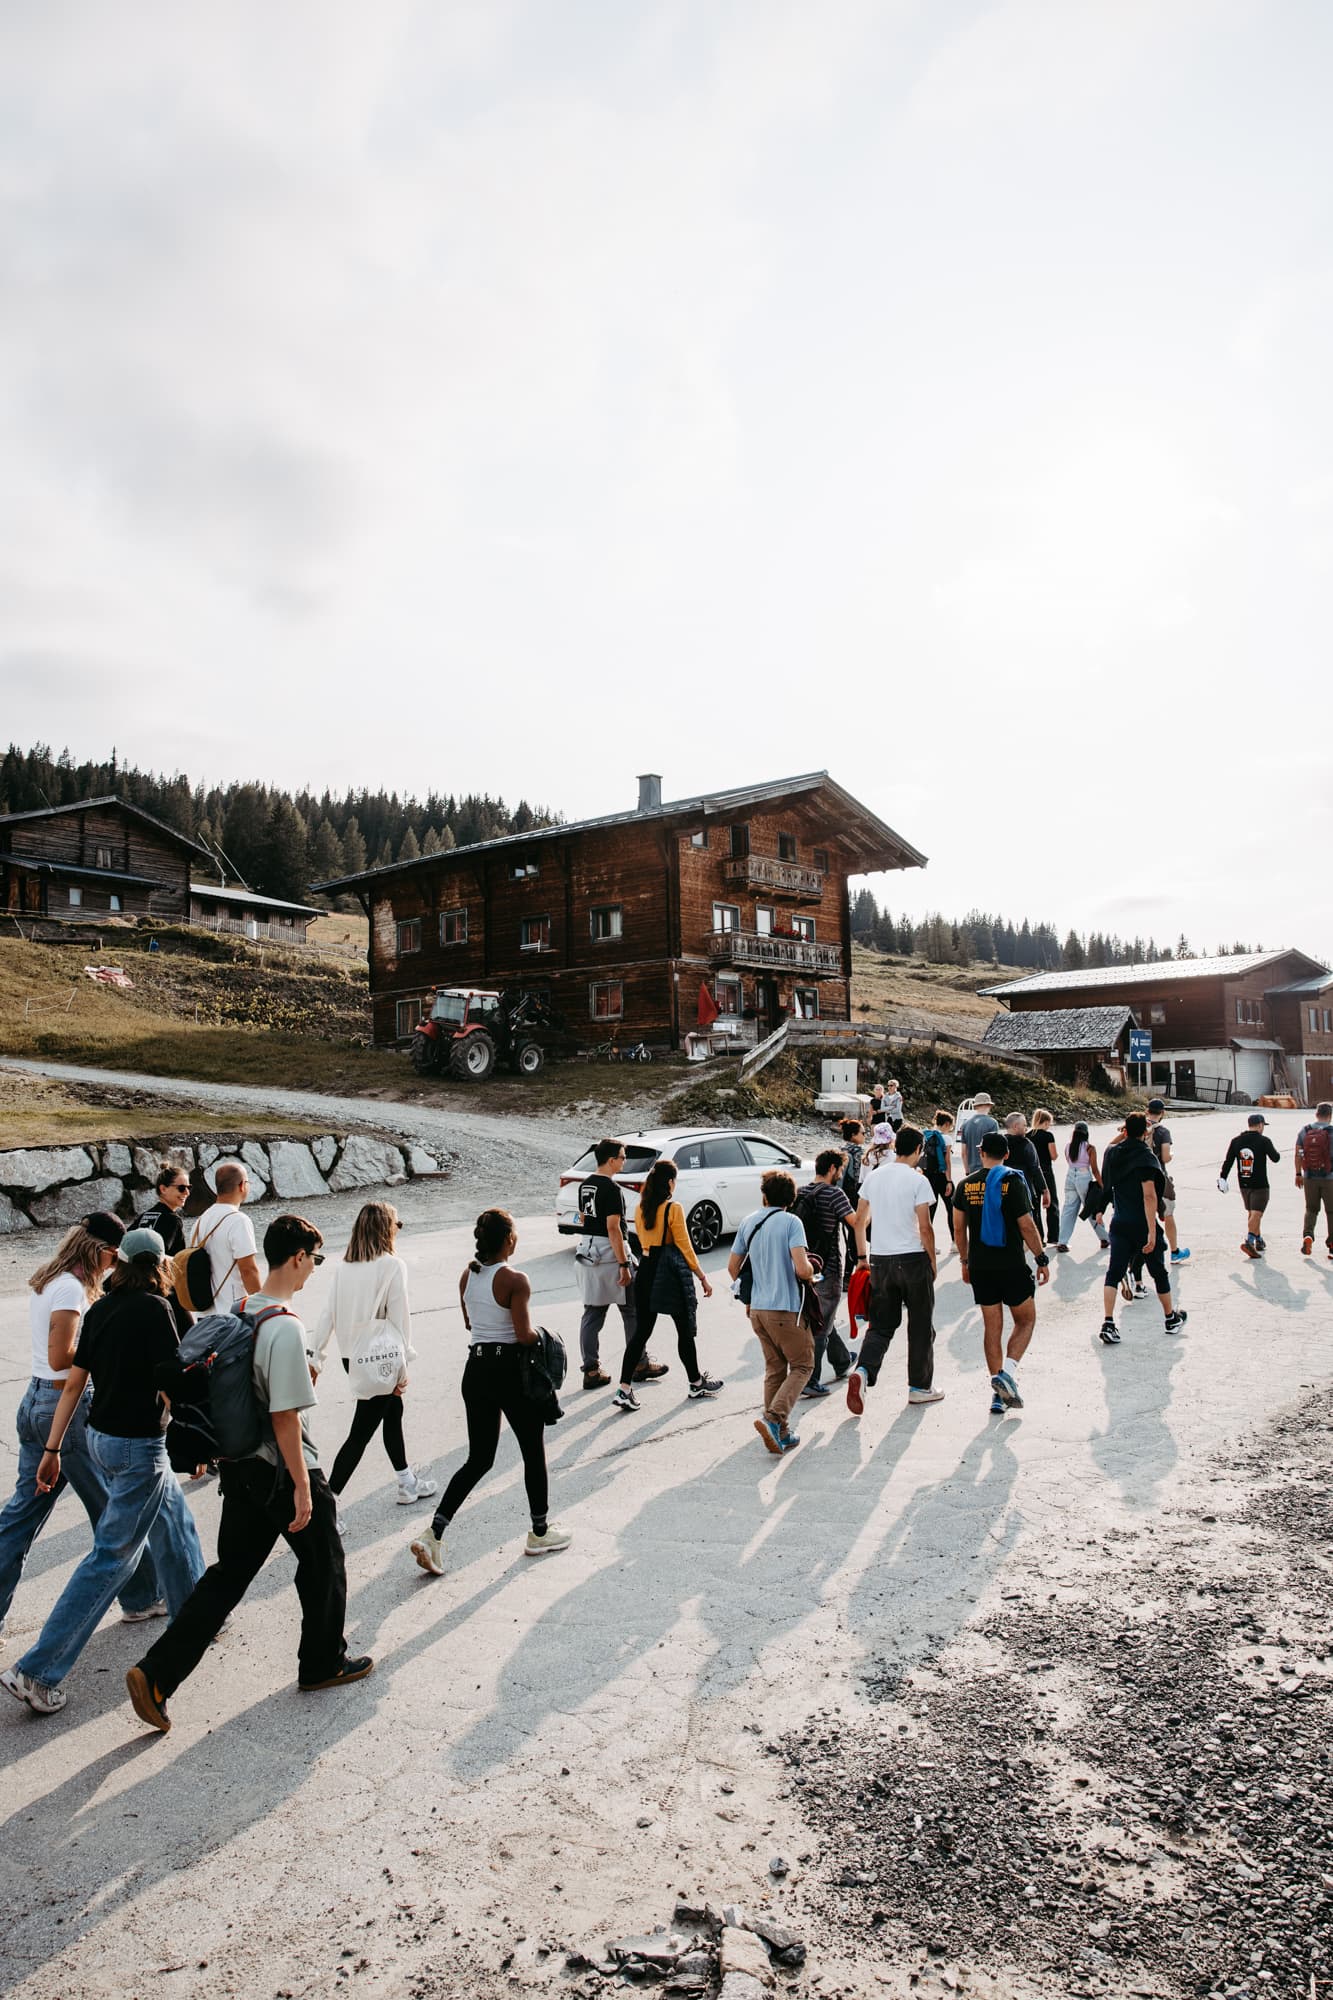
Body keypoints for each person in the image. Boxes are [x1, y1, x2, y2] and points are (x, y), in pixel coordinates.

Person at [126, 1213, 372, 1735]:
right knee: (324, 1560)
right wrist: (304, 1486)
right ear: (299, 1257)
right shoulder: (283, 1324)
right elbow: (284, 1416)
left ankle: (156, 1674)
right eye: (315, 1260)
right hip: (281, 1468)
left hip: (238, 1469)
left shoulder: (242, 1309)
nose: (313, 1272)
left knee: (227, 1577)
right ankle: (322, 1663)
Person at [2, 1230, 206, 1716]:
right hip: (139, 1445)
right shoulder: (156, 1309)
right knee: (113, 1556)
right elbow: (172, 1379)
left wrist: (52, 1448)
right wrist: (202, 1440)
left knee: (172, 1516)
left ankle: (198, 1611)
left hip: (99, 1437)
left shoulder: (101, 1308)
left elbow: (73, 1383)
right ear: (159, 1263)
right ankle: (36, 1670)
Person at [0, 1212, 161, 1648]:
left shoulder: (50, 1280)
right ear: (99, 1250)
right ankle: (143, 1595)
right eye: (113, 1254)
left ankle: (143, 1592)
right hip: (63, 1408)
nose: (115, 1263)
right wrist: (105, 1348)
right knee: (114, 1510)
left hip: (35, 1401)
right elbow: (61, 1357)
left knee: (21, 1516)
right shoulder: (71, 1289)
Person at [409, 1210, 571, 1577]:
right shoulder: (515, 1279)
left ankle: (434, 1533)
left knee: (479, 1458)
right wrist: (548, 1336)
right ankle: (540, 1532)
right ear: (509, 1240)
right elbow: (523, 1334)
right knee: (532, 1452)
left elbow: (470, 1322)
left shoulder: (468, 1275)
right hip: (510, 1370)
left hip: (476, 1369)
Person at [310, 1202, 436, 1509]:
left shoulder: (343, 1269)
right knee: (361, 1432)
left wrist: (316, 1357)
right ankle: (329, 1504)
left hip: (352, 1357)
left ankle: (407, 1483)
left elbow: (327, 1314)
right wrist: (403, 1366)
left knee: (392, 1414)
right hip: (382, 1358)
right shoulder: (392, 1265)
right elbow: (399, 1320)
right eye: (396, 1225)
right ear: (386, 1229)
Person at [952, 1132, 1050, 1412]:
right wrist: (1041, 1258)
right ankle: (1006, 1374)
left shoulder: (965, 1185)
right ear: (1006, 1154)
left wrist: (964, 1261)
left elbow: (959, 1228)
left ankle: (998, 1392)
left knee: (992, 1327)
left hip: (981, 1266)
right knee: (1026, 1320)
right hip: (1011, 1264)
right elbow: (1026, 1225)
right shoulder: (1012, 1181)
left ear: (981, 1153)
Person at [847, 1125, 941, 1414]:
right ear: (918, 1150)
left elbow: (860, 1221)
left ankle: (863, 1371)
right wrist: (933, 1263)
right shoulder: (917, 1181)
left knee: (882, 1324)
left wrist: (862, 1256)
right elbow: (925, 1228)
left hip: (881, 1260)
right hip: (912, 1258)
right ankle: (919, 1387)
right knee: (921, 1324)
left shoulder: (874, 1177)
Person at [613, 1161, 719, 1411]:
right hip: (668, 1273)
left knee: (641, 1333)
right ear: (670, 1182)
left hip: (646, 1270)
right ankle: (696, 1383)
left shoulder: (641, 1208)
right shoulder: (673, 1208)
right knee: (683, 1330)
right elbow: (684, 1245)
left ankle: (624, 1388)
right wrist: (702, 1276)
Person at [728, 1171, 816, 1455]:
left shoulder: (749, 1221)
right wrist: (813, 1273)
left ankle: (781, 1433)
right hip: (786, 1308)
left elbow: (733, 1268)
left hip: (758, 1310)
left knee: (775, 1369)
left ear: (764, 1194)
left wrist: (751, 1296)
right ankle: (773, 1419)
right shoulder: (791, 1222)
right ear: (791, 1198)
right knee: (803, 1365)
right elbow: (802, 1269)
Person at [573, 1139, 663, 1391]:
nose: (624, 1161)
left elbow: (582, 1218)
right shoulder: (611, 1189)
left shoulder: (585, 1185)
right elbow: (613, 1227)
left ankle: (591, 1369)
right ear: (611, 1160)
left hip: (588, 1250)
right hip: (610, 1253)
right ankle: (639, 1363)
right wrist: (624, 1263)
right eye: (622, 1157)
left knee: (593, 1312)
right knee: (631, 1309)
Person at [1099, 1113, 1187, 1345]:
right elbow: (1149, 1196)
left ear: (1125, 1131)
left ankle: (1108, 1323)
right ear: (1146, 1133)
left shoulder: (1114, 1153)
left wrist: (1123, 1133)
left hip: (1119, 1222)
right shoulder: (1145, 1157)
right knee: (1158, 1272)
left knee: (1114, 1272)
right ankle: (1170, 1319)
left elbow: (1109, 1145)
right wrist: (1151, 1230)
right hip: (1141, 1223)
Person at [793, 1151, 855, 1399]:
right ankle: (811, 1379)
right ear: (832, 1169)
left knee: (821, 1315)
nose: (841, 1175)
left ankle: (841, 1360)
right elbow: (855, 1222)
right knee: (822, 1321)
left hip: (802, 1264)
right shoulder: (834, 1194)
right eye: (840, 1170)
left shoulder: (800, 1192)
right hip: (827, 1267)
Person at [188, 1160, 261, 1312]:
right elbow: (248, 1270)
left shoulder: (200, 1221)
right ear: (242, 1185)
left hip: (205, 1314)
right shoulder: (238, 1220)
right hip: (231, 1314)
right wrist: (264, 1306)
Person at [1219, 1113, 1281, 1260]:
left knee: (1252, 1213)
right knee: (1257, 1214)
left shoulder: (1236, 1141)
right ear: (1260, 1125)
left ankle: (1258, 1240)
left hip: (1244, 1183)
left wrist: (1223, 1177)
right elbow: (1276, 1158)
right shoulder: (1264, 1141)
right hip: (1260, 1184)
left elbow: (1228, 1161)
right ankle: (1250, 1241)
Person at [1055, 1122, 1110, 1252]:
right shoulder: (1090, 1148)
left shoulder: (1068, 1147)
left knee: (1069, 1209)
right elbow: (1095, 1170)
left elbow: (1070, 1162)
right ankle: (1104, 1238)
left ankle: (1062, 1241)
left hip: (1070, 1176)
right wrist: (1103, 1185)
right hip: (1084, 1177)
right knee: (1091, 1207)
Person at [1146, 1099, 1189, 1264]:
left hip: (1140, 1179)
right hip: (1159, 1178)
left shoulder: (1139, 1127)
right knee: (1168, 1214)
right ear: (1162, 1113)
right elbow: (1165, 1157)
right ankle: (1174, 1252)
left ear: (1146, 1111)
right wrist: (1172, 1155)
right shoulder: (1163, 1132)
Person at [1296, 1100, 1333, 1257]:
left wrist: (1298, 1174)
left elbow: (1298, 1153)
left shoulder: (1305, 1131)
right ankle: (1332, 1245)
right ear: (1330, 1116)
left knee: (1311, 1209)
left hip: (1309, 1177)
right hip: (1330, 1178)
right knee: (1331, 1211)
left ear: (1316, 1114)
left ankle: (1308, 1235)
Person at [1004, 1112, 1050, 1227]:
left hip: (1003, 1190)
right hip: (1025, 1189)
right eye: (1024, 1125)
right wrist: (1045, 1190)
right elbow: (1036, 1169)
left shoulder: (1000, 1143)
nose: (1026, 1128)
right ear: (1015, 1126)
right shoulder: (1026, 1144)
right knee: (1029, 1224)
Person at [136, 1162, 190, 1258]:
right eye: (181, 1188)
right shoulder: (172, 1220)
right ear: (163, 1189)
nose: (187, 1193)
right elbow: (159, 1256)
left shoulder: (145, 1215)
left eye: (189, 1187)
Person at [919, 1110, 956, 1248]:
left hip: (928, 1176)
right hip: (941, 1176)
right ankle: (955, 1242)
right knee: (951, 1208)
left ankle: (927, 1243)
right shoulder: (946, 1138)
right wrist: (949, 1181)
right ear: (946, 1124)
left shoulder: (926, 1135)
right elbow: (947, 1162)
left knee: (930, 1210)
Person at [1029, 1110, 1061, 1245]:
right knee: (1052, 1204)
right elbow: (1053, 1155)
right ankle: (1053, 1237)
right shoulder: (1048, 1136)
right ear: (1046, 1122)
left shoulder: (1028, 1135)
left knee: (1034, 1206)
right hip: (1046, 1171)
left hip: (1032, 1173)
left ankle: (1039, 1238)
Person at [958, 1092, 999, 1173]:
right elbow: (995, 1149)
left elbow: (964, 1152)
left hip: (972, 1170)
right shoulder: (992, 1123)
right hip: (988, 1170)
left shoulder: (965, 1124)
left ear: (976, 1106)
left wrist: (967, 1171)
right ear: (989, 1105)